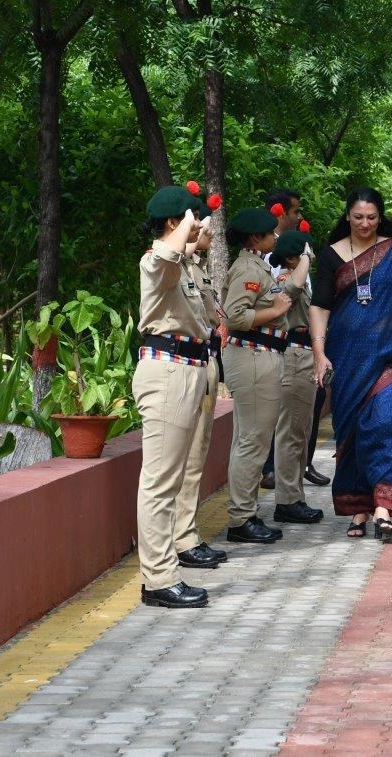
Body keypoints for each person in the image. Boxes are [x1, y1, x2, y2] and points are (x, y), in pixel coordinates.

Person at [309, 188, 392, 541]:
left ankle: (383, 506)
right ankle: (358, 507)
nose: (365, 224)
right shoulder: (332, 255)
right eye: (358, 217)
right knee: (352, 431)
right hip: (347, 358)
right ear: (347, 217)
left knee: (387, 423)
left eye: (371, 217)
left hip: (391, 359)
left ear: (381, 218)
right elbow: (320, 306)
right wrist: (319, 353)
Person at [133, 185, 212, 608]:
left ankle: (162, 572)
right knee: (160, 482)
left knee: (173, 478)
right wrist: (188, 223)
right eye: (191, 217)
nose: (199, 225)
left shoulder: (181, 266)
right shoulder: (156, 261)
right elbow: (166, 255)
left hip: (187, 369)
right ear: (172, 222)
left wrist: (194, 227)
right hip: (167, 372)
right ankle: (159, 579)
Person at [221, 206, 292, 545]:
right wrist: (275, 310)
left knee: (251, 439)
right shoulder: (248, 269)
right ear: (255, 238)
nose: (275, 237)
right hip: (252, 354)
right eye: (270, 233)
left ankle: (245, 512)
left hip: (261, 354)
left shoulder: (258, 266)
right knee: (252, 440)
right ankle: (241, 518)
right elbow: (235, 316)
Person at [171, 196, 229, 572]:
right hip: (183, 363)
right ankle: (180, 539)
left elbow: (211, 314)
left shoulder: (198, 267)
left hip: (205, 361)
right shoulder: (173, 263)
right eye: (202, 226)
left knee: (198, 453)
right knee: (184, 458)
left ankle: (188, 533)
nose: (208, 232)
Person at [269, 230, 324, 524]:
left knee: (301, 431)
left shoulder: (298, 278)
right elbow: (292, 292)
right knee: (291, 432)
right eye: (305, 253)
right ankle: (287, 500)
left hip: (304, 354)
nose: (310, 258)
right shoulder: (286, 280)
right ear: (293, 258)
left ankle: (295, 496)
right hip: (293, 354)